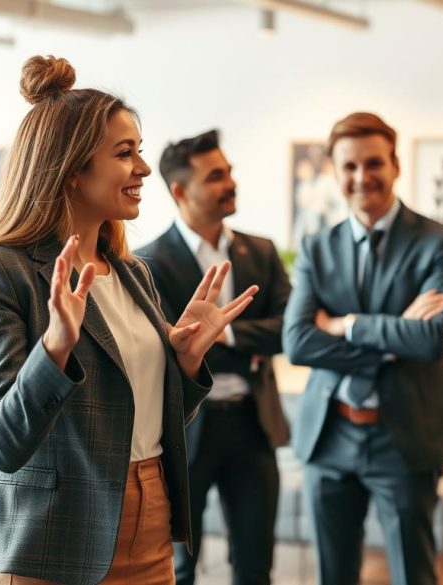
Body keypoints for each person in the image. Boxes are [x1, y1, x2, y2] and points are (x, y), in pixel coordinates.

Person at [0, 55, 257, 585]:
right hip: (51, 537)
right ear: (71, 171)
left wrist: (183, 364)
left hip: (149, 516)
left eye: (139, 151)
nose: (143, 169)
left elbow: (131, 422)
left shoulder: (132, 273)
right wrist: (54, 351)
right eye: (125, 154)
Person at [283, 112, 443, 585]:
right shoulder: (316, 248)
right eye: (349, 167)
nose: (362, 177)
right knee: (334, 576)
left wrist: (346, 324)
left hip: (402, 435)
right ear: (335, 172)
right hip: (330, 435)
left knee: (413, 574)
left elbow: (431, 339)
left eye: (373, 163)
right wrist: (390, 339)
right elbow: (298, 342)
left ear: (395, 165)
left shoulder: (439, 242)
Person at [136, 129, 291, 585]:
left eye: (230, 172)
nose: (231, 183)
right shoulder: (147, 262)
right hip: (185, 430)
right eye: (216, 176)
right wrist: (251, 346)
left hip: (253, 424)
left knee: (255, 564)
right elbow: (163, 352)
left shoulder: (260, 252)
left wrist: (221, 338)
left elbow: (289, 331)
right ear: (181, 191)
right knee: (179, 567)